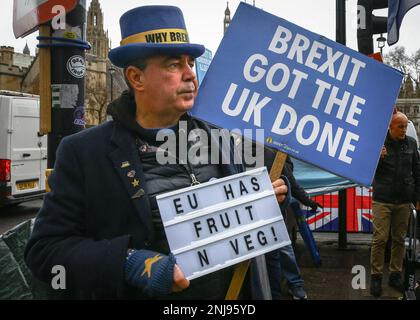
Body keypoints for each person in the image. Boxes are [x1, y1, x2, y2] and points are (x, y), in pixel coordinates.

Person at [24, 5, 289, 299]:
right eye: (174, 64)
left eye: (190, 62)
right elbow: (44, 251)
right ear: (136, 78)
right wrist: (129, 262)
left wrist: (264, 200)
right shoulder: (83, 152)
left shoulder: (220, 138)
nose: (190, 74)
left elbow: (244, 232)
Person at [370, 111, 420, 297]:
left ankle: (395, 274)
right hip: (383, 199)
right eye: (400, 126)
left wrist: (417, 198)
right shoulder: (379, 145)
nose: (404, 130)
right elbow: (368, 170)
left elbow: (417, 170)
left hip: (403, 200)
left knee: (399, 239)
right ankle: (376, 276)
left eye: (406, 126)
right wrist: (377, 158)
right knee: (380, 239)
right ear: (390, 127)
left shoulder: (411, 144)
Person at [264, 149, 321, 300]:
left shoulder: (276, 149)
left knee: (278, 251)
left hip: (273, 211)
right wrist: (309, 201)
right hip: (259, 211)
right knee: (277, 252)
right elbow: (291, 179)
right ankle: (291, 286)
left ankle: (290, 286)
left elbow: (290, 179)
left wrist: (308, 201)